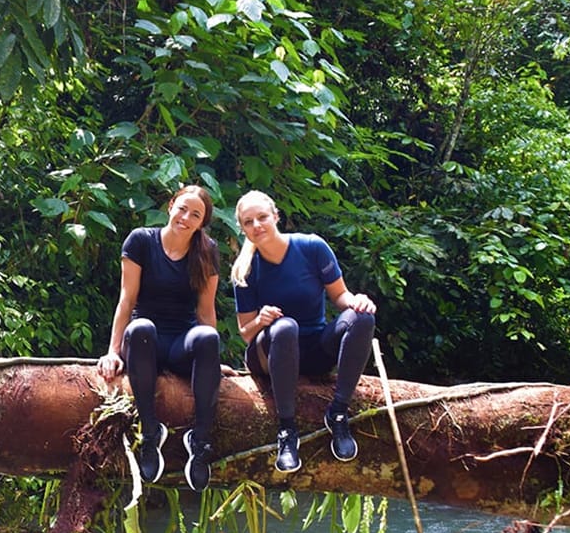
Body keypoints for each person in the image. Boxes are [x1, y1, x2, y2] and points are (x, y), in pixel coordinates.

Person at [230, 190, 376, 473]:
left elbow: (340, 296)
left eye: (262, 217)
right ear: (243, 228)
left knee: (361, 318)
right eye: (248, 222)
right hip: (269, 352)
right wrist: (261, 320)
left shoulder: (311, 247)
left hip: (313, 350)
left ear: (275, 216)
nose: (257, 226)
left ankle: (338, 413)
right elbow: (246, 334)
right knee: (285, 327)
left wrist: (358, 301)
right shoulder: (244, 271)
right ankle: (287, 429)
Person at [97, 185, 222, 492]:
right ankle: (150, 432)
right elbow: (126, 300)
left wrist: (214, 357)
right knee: (142, 329)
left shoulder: (207, 251)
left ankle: (200, 440)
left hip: (181, 342)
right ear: (170, 206)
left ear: (201, 223)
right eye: (183, 209)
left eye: (195, 215)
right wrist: (113, 351)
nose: (186, 218)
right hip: (144, 342)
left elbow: (206, 312)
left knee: (206, 337)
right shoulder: (141, 241)